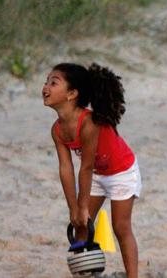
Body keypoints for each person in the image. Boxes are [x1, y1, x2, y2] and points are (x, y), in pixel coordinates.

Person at [42, 62, 141, 278]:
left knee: (120, 227)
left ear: (72, 94)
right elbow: (65, 168)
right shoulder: (57, 130)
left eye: (53, 82)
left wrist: (83, 205)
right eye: (46, 81)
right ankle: (86, 274)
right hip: (98, 174)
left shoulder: (89, 124)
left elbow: (85, 167)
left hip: (121, 171)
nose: (45, 87)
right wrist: (73, 209)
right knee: (81, 227)